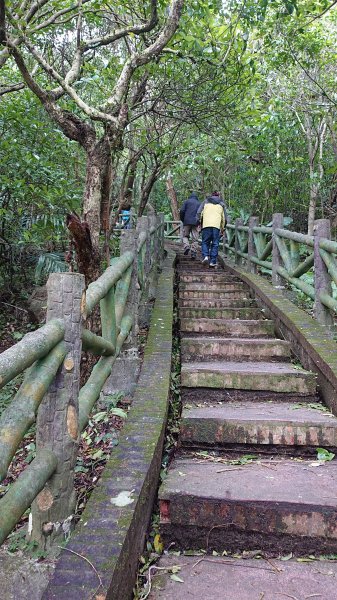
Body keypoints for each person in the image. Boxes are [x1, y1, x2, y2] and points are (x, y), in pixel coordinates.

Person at [196, 191, 227, 268]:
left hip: (206, 225)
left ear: (211, 195)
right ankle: (213, 261)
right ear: (218, 196)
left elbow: (199, 212)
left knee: (205, 242)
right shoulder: (222, 204)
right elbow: (224, 218)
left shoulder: (205, 202)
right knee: (215, 243)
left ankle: (205, 256)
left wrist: (199, 222)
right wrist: (222, 228)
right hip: (216, 226)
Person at [179, 191, 200, 260]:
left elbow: (182, 211)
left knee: (185, 235)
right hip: (196, 222)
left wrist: (183, 219)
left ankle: (186, 246)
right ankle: (193, 252)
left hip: (187, 222)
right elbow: (201, 213)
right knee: (195, 238)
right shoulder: (199, 203)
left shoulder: (187, 202)